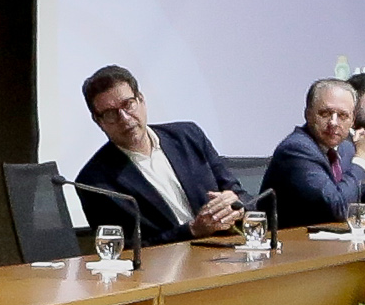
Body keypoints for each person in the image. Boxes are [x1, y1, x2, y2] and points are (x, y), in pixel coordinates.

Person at [73, 65, 242, 245]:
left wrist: (236, 205)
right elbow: (126, 248)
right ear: (98, 121)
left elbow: (240, 194)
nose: (124, 118)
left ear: (141, 100)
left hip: (228, 249)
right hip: (169, 268)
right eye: (110, 114)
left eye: (128, 104)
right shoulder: (94, 182)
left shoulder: (188, 136)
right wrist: (192, 230)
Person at [263, 77, 365, 226]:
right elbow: (337, 208)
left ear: (352, 120)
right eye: (325, 113)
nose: (334, 123)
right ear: (308, 114)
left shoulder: (346, 148)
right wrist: (363, 158)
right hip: (294, 247)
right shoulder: (297, 149)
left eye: (343, 116)